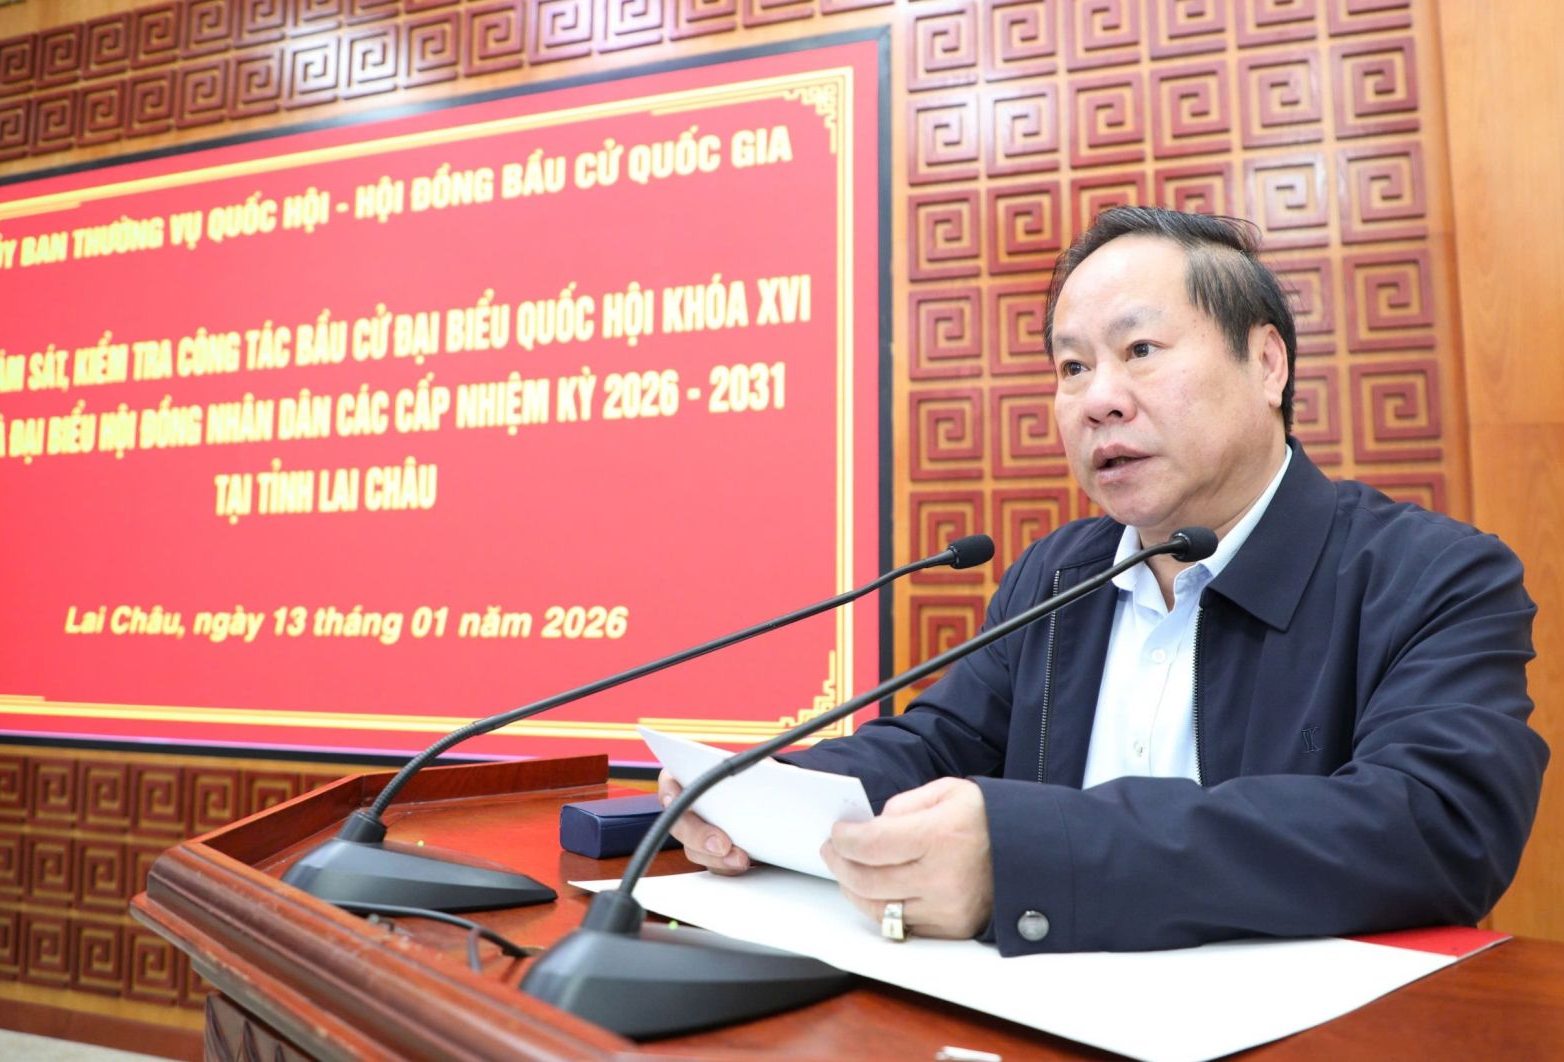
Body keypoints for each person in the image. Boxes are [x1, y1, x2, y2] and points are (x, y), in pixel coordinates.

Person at [659, 206, 1549, 955]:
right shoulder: (1061, 574)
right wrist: (763, 793)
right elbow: (937, 745)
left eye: (1142, 349)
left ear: (1267, 364)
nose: (1098, 399)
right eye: (1073, 367)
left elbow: (1436, 827)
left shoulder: (1432, 576)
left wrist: (1028, 858)